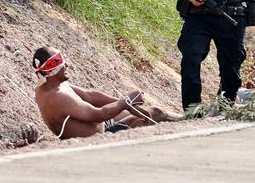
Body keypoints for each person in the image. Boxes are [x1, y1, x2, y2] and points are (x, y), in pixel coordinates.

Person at [32, 46, 179, 139]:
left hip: (102, 125)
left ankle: (192, 118)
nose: (67, 65)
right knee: (155, 112)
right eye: (62, 63)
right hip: (100, 138)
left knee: (150, 112)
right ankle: (193, 121)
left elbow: (89, 95)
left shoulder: (52, 84)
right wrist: (126, 101)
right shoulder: (56, 97)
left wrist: (128, 105)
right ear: (53, 70)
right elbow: (99, 114)